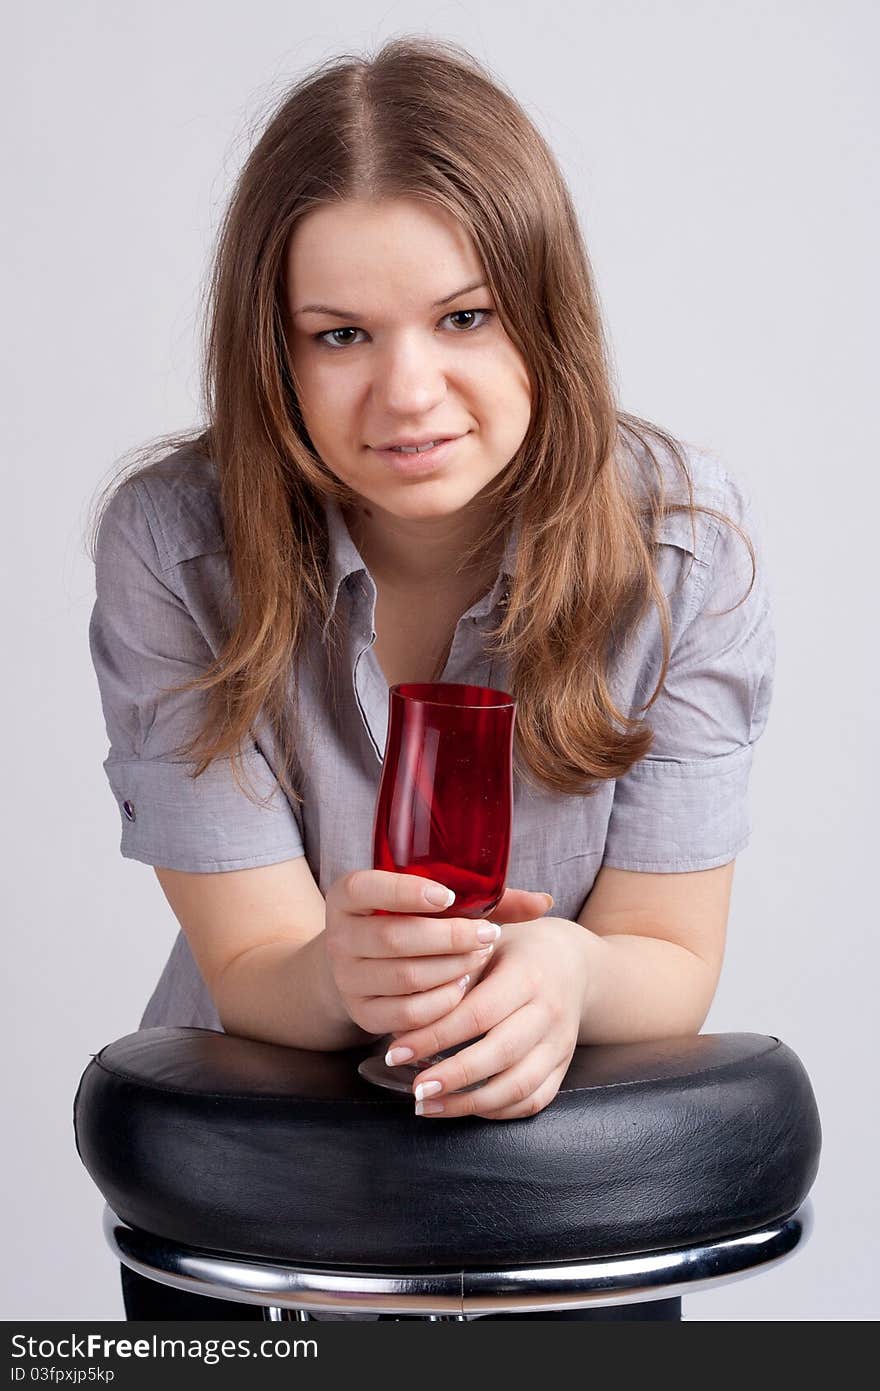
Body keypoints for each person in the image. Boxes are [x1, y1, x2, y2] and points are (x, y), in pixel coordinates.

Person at [86, 36, 775, 1324]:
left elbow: (669, 955)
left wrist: (566, 970)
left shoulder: (682, 543)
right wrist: (340, 973)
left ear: (544, 313)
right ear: (274, 352)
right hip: (263, 1205)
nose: (409, 394)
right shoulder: (174, 547)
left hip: (559, 1210)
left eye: (465, 317)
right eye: (339, 333)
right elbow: (253, 967)